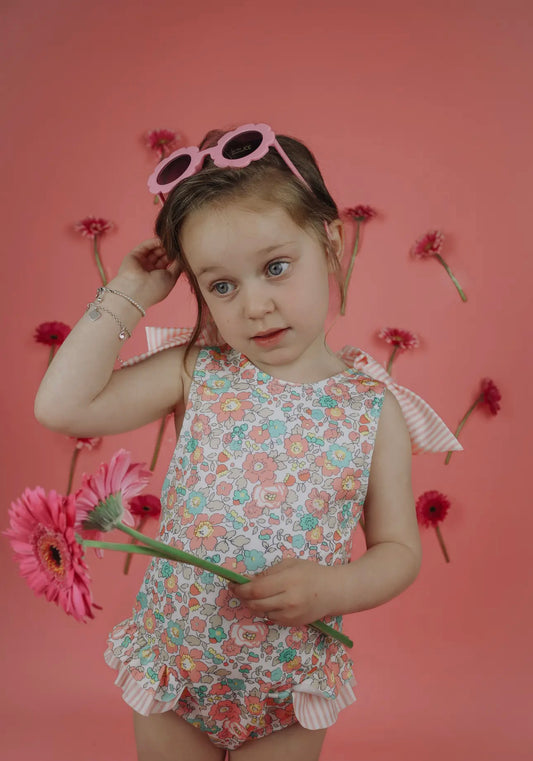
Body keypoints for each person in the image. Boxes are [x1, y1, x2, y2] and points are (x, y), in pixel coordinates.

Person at [35, 123, 452, 761]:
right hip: (178, 671)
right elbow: (61, 407)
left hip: (288, 685)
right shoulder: (196, 370)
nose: (254, 304)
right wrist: (127, 296)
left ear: (330, 242)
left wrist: (333, 589)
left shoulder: (373, 409)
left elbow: (398, 550)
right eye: (222, 286)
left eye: (276, 268)